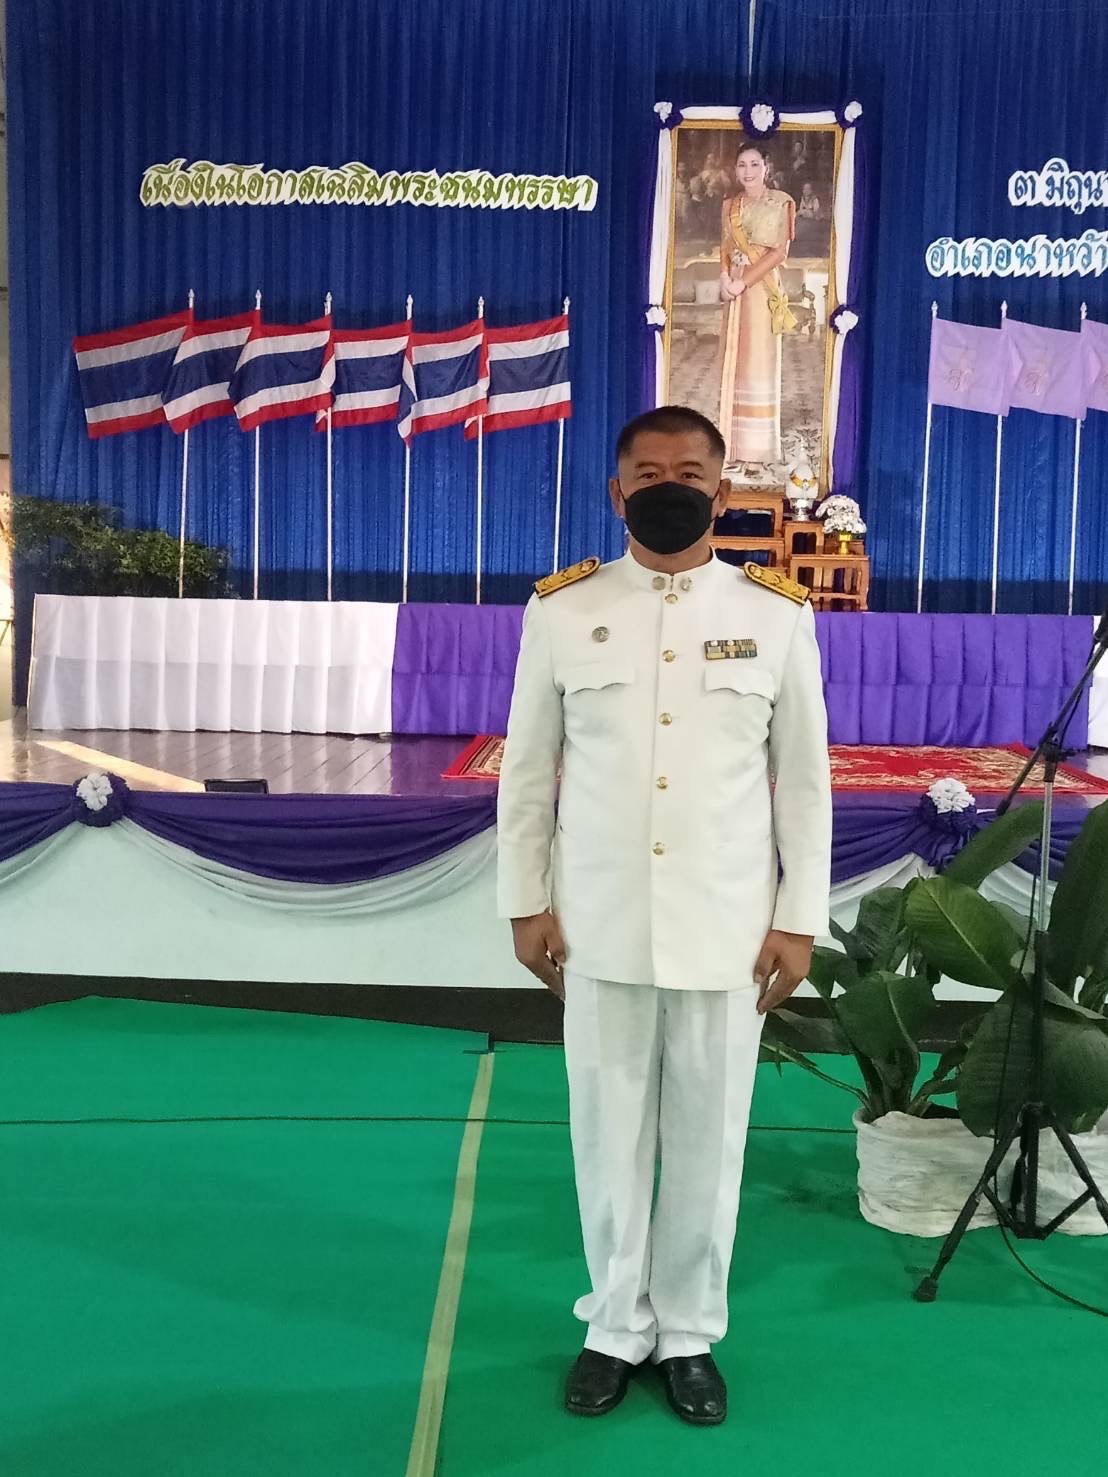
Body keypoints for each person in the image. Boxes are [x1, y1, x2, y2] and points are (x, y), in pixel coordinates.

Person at [496, 405, 832, 1427]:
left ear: (721, 492)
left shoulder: (775, 615)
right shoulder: (564, 611)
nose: (669, 486)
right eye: (648, 473)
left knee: (707, 1138)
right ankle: (612, 1325)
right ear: (617, 491)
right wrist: (524, 900)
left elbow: (803, 781)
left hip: (728, 928)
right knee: (605, 1135)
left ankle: (687, 1331)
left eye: (690, 471)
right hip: (600, 920)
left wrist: (798, 918)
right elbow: (527, 770)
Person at [718, 144, 797, 476]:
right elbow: (725, 247)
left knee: (758, 362)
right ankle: (731, 444)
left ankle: (759, 446)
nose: (747, 171)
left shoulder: (782, 202)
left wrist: (743, 282)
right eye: (741, 165)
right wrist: (725, 277)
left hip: (760, 288)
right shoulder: (729, 206)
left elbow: (779, 253)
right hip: (734, 289)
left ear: (766, 167)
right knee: (734, 360)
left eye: (754, 164)